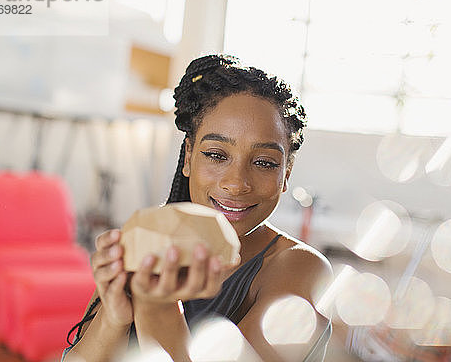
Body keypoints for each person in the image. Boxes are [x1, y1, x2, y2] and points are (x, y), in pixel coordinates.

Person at [62, 54, 333, 362]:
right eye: (217, 155)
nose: (237, 183)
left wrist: (158, 307)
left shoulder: (300, 269)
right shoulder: (149, 240)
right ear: (189, 155)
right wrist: (114, 317)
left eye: (264, 162)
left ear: (286, 172)